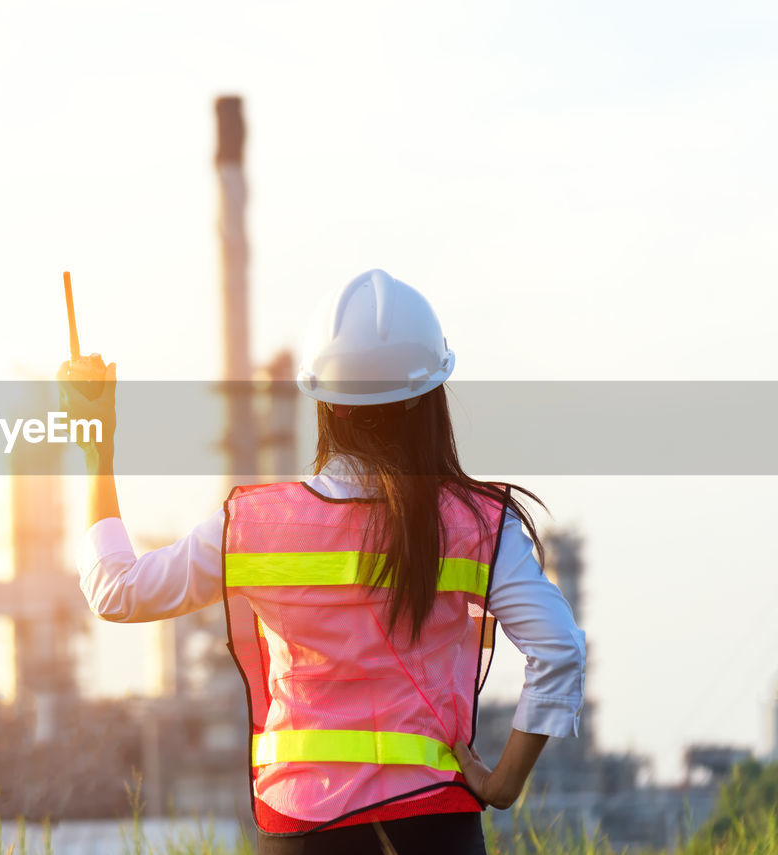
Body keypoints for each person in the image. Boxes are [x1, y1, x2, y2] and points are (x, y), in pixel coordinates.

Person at [55, 269, 586, 854]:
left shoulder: (255, 524)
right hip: (434, 823)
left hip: (302, 829)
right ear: (431, 398)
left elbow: (117, 591)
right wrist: (503, 783)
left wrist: (94, 446)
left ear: (323, 404)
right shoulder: (476, 523)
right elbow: (558, 647)